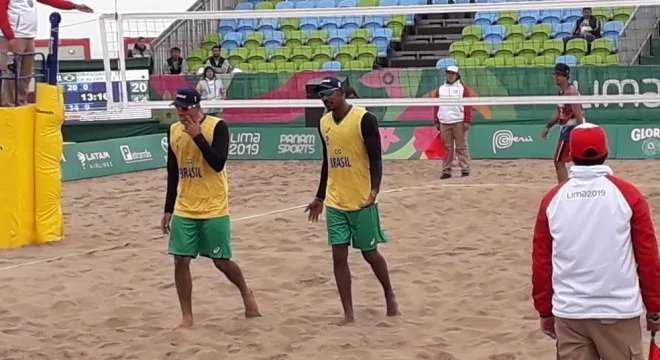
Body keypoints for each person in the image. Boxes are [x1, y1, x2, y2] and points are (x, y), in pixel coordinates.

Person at [531, 123, 660, 359]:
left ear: (570, 155)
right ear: (606, 152)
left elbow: (541, 261)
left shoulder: (553, 199)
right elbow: (647, 256)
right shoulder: (628, 194)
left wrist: (544, 310)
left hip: (570, 312)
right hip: (617, 311)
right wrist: (654, 307)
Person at [161, 87, 260, 328]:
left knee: (221, 261)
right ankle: (187, 315)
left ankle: (246, 291)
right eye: (177, 108)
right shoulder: (174, 130)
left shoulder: (217, 127)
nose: (180, 113)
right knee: (180, 260)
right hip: (185, 206)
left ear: (196, 107)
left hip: (214, 206)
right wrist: (168, 209)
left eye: (184, 109)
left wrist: (197, 135)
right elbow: (173, 173)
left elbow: (218, 163)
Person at [305, 76, 400, 326]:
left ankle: (389, 294)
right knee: (338, 256)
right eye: (321, 95)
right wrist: (320, 197)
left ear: (341, 93)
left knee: (370, 253)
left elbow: (376, 158)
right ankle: (348, 313)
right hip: (336, 201)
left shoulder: (364, 119)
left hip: (361, 200)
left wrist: (374, 191)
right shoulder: (324, 122)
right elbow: (327, 162)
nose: (324, 98)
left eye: (328, 93)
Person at [0, 0, 92, 107]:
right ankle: (8, 105)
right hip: (13, 36)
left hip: (29, 36)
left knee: (26, 74)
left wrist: (74, 6)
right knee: (12, 73)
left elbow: (51, 1)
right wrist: (10, 37)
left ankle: (20, 103)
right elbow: (1, 11)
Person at [541, 63, 584, 184]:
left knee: (559, 161)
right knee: (567, 161)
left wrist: (581, 132)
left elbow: (578, 114)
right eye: (554, 74)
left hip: (572, 130)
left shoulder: (571, 92)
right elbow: (559, 112)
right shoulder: (561, 92)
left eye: (558, 75)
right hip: (567, 129)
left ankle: (563, 188)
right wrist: (548, 127)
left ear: (565, 76)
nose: (555, 77)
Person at [432, 65, 472, 179]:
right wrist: (436, 120)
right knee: (446, 148)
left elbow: (468, 105)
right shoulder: (440, 89)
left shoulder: (463, 89)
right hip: (444, 121)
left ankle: (465, 168)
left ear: (457, 75)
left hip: (459, 121)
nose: (450, 75)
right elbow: (436, 105)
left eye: (452, 73)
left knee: (461, 146)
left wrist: (467, 120)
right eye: (448, 73)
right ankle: (446, 170)